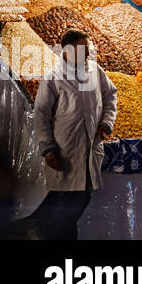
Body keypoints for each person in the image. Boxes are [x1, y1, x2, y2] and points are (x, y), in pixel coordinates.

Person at [30, 30, 117, 240]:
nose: (87, 56)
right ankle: (42, 231)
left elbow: (110, 96)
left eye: (89, 51)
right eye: (82, 51)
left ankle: (42, 232)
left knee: (79, 198)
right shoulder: (53, 78)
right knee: (69, 200)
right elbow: (41, 115)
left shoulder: (96, 71)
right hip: (65, 149)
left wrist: (106, 123)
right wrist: (48, 148)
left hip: (90, 147)